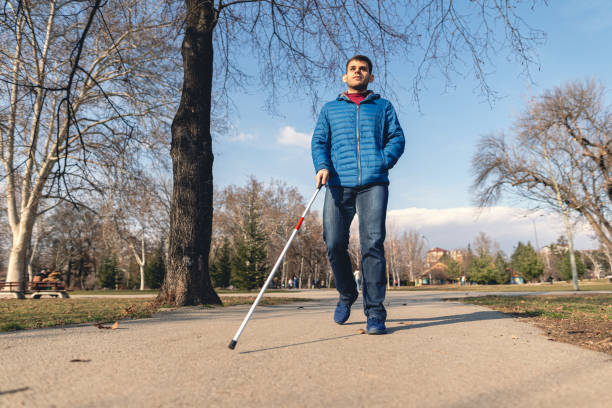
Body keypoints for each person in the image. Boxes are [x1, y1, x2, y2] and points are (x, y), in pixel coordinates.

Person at [311, 55, 405, 335]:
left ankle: (375, 313)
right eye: (352, 69)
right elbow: (319, 142)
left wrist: (382, 161)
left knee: (372, 244)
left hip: (374, 184)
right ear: (345, 76)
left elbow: (397, 138)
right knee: (334, 242)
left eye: (363, 69)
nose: (357, 72)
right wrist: (322, 166)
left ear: (370, 77)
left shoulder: (383, 106)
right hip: (338, 184)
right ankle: (347, 293)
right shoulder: (330, 109)